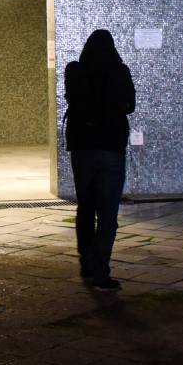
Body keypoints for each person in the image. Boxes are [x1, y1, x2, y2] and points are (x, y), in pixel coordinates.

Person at [64, 29, 136, 292]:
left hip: (82, 148)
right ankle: (101, 272)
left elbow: (72, 99)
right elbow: (130, 105)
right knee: (108, 213)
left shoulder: (74, 71)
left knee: (86, 207)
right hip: (111, 149)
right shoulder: (119, 71)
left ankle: (86, 262)